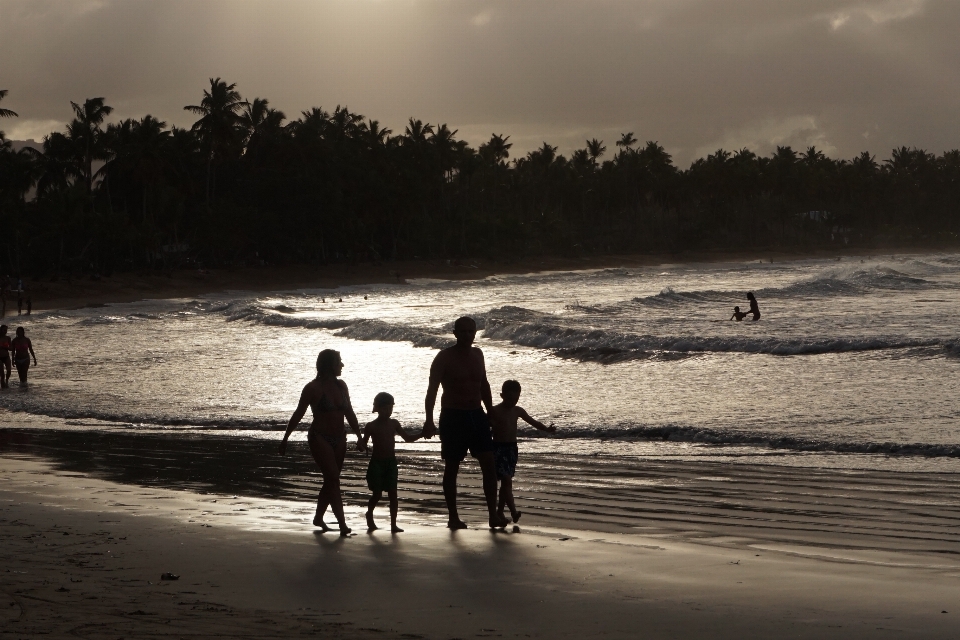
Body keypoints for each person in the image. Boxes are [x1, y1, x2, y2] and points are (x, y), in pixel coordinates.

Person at [423, 316, 508, 529]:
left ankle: (493, 515)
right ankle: (453, 516)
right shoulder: (444, 357)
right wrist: (428, 420)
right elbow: (432, 390)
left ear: (476, 332)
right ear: (455, 333)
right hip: (453, 416)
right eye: (463, 331)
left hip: (477, 414)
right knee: (452, 467)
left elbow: (484, 384)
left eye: (471, 331)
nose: (468, 335)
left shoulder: (478, 354)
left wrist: (490, 412)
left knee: (489, 464)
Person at [279, 349, 365, 535]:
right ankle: (342, 524)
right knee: (333, 478)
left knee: (331, 480)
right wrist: (286, 438)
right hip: (320, 438)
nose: (342, 365)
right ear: (328, 365)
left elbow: (349, 412)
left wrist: (359, 436)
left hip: (340, 437)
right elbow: (298, 413)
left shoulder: (342, 386)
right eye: (338, 362)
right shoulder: (312, 388)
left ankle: (318, 518)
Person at [488, 380, 556, 524]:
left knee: (507, 484)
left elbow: (533, 422)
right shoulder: (495, 411)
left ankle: (500, 512)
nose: (513, 402)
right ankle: (513, 512)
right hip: (498, 449)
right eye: (509, 398)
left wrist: (546, 429)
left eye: (516, 399)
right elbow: (484, 428)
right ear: (502, 395)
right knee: (506, 480)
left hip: (512, 449)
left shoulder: (518, 410)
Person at [359, 392, 423, 533]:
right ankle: (369, 514)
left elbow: (407, 438)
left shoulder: (394, 424)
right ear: (377, 409)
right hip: (376, 463)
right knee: (377, 494)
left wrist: (422, 434)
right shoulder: (371, 426)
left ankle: (393, 525)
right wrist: (361, 446)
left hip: (391, 463)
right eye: (384, 408)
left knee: (393, 494)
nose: (388, 411)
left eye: (390, 408)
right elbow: (363, 445)